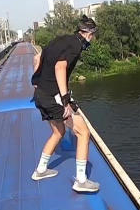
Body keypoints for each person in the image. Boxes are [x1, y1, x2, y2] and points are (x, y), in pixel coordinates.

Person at [30, 16, 99, 192]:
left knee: (59, 132)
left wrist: (38, 82)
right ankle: (81, 180)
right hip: (53, 96)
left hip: (40, 94)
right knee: (83, 133)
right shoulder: (75, 46)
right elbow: (60, 68)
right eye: (93, 36)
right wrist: (65, 99)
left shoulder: (60, 40)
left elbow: (37, 58)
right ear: (89, 34)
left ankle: (40, 170)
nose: (92, 40)